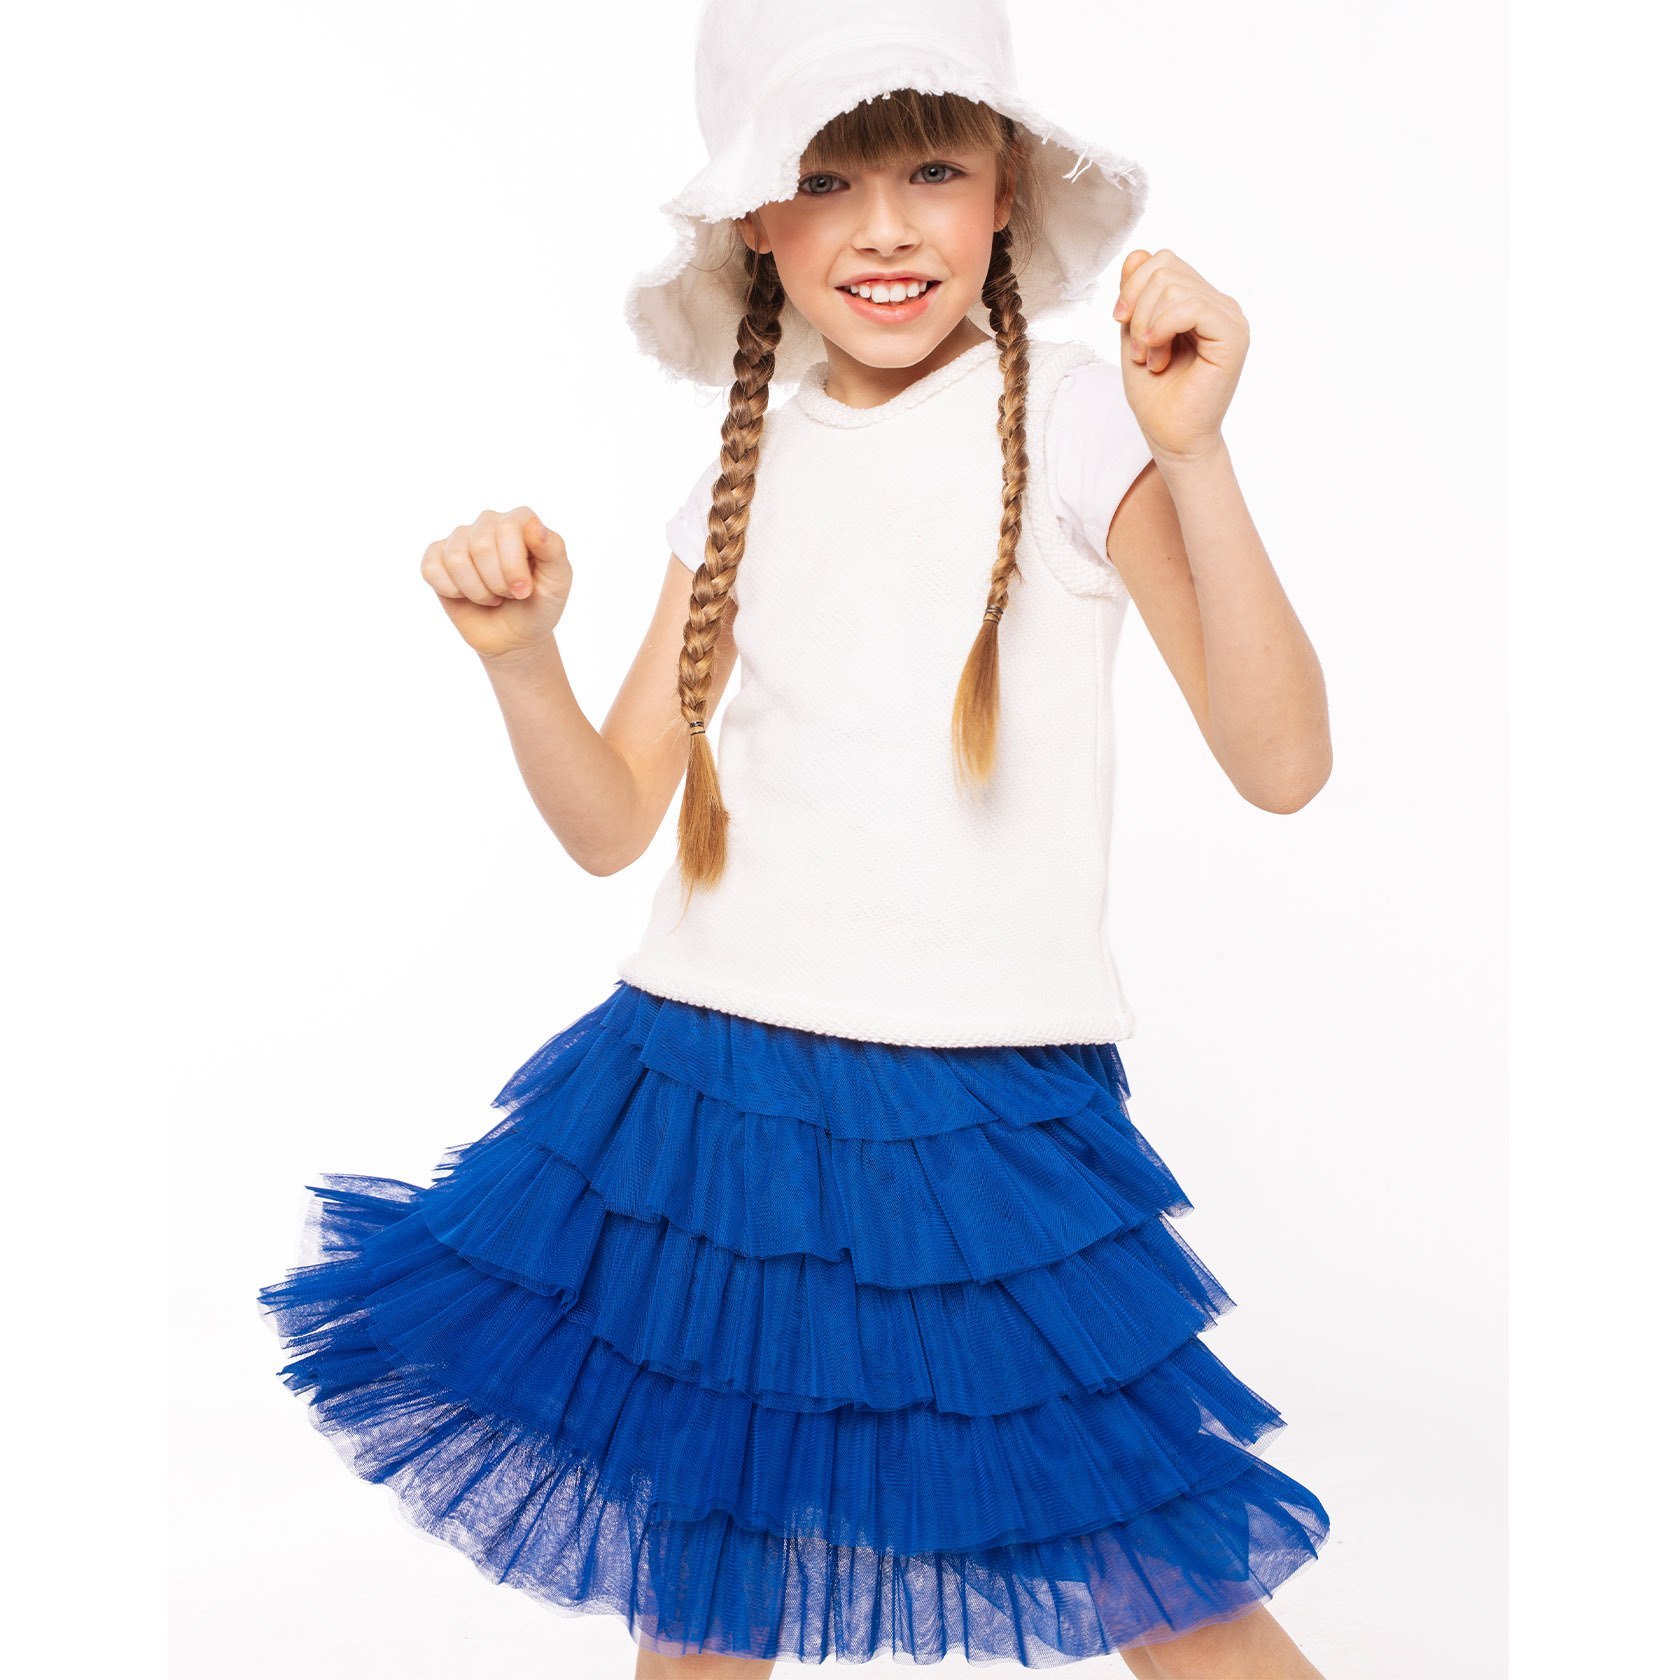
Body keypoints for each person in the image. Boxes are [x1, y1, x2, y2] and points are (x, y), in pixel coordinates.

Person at [255, 2, 1337, 1674]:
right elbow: (613, 822)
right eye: (826, 180)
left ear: (1006, 191)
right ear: (755, 221)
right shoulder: (737, 475)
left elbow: (1281, 762)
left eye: (932, 170)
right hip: (711, 1092)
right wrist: (524, 662)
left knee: (1157, 1567)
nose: (885, 227)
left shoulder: (1079, 418)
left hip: (975, 1102)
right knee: (707, 1585)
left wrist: (1197, 457)